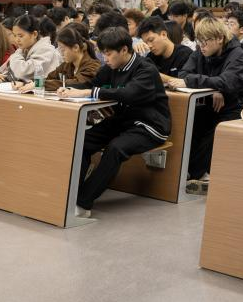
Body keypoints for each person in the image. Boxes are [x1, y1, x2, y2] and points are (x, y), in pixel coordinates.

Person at [56, 27, 171, 219]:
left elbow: (129, 93)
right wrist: (65, 88)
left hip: (150, 126)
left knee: (116, 149)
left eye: (108, 54)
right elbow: (91, 85)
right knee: (81, 141)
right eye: (103, 53)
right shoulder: (111, 67)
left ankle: (83, 202)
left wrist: (89, 92)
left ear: (124, 50)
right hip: (123, 122)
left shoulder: (146, 69)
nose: (105, 58)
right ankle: (71, 194)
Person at [170, 16, 243, 192]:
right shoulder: (201, 52)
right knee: (191, 122)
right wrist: (215, 89)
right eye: (199, 41)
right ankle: (189, 172)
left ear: (219, 39)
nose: (201, 46)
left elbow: (227, 82)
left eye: (205, 41)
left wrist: (216, 86)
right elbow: (183, 74)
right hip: (217, 101)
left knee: (216, 130)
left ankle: (198, 174)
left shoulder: (237, 55)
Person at [0, 15, 60, 83]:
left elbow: (22, 72)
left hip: (43, 90)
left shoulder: (46, 49)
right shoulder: (23, 49)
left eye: (20, 36)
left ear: (34, 34)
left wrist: (17, 54)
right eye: (14, 35)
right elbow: (2, 70)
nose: (17, 40)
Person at [42, 23, 101, 91]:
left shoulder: (93, 66)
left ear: (76, 47)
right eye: (59, 49)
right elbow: (50, 78)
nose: (61, 53)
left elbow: (77, 84)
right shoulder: (67, 65)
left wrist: (41, 84)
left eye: (63, 49)